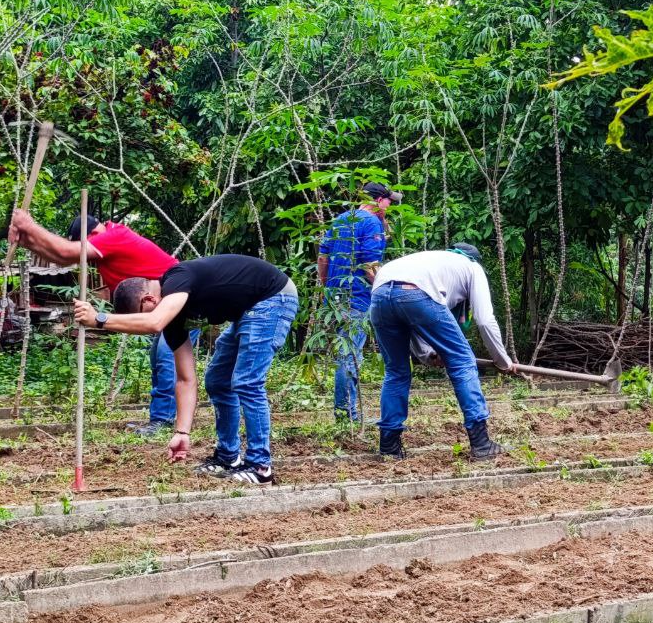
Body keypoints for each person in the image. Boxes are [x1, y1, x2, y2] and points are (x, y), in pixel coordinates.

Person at [72, 254, 298, 485]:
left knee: (247, 381)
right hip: (250, 309)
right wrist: (182, 432)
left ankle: (260, 467)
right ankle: (228, 457)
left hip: (273, 297)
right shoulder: (173, 322)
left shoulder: (177, 278)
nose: (146, 328)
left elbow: (154, 322)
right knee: (217, 381)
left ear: (149, 299)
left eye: (142, 315)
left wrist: (99, 319)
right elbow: (185, 379)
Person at [9, 208, 197, 435]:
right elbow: (61, 258)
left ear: (93, 236)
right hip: (162, 305)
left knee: (166, 359)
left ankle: (163, 421)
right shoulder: (107, 245)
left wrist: (29, 225)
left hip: (179, 302)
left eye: (83, 244)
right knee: (158, 360)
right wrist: (25, 240)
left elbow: (66, 252)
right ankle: (160, 417)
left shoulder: (114, 237)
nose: (85, 253)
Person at [369, 243, 514, 461]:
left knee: (396, 371)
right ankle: (481, 443)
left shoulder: (432, 261)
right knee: (463, 362)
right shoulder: (472, 267)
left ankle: (389, 447)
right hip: (416, 293)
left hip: (379, 295)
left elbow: (409, 316)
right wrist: (503, 361)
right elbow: (485, 320)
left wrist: (429, 355)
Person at [317, 181, 400, 422]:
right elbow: (369, 266)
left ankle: (347, 413)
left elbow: (322, 258)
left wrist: (327, 287)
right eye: (389, 201)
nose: (390, 206)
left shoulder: (341, 219)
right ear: (378, 200)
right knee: (350, 354)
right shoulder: (371, 222)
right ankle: (347, 416)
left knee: (345, 351)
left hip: (335, 296)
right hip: (358, 296)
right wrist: (384, 291)